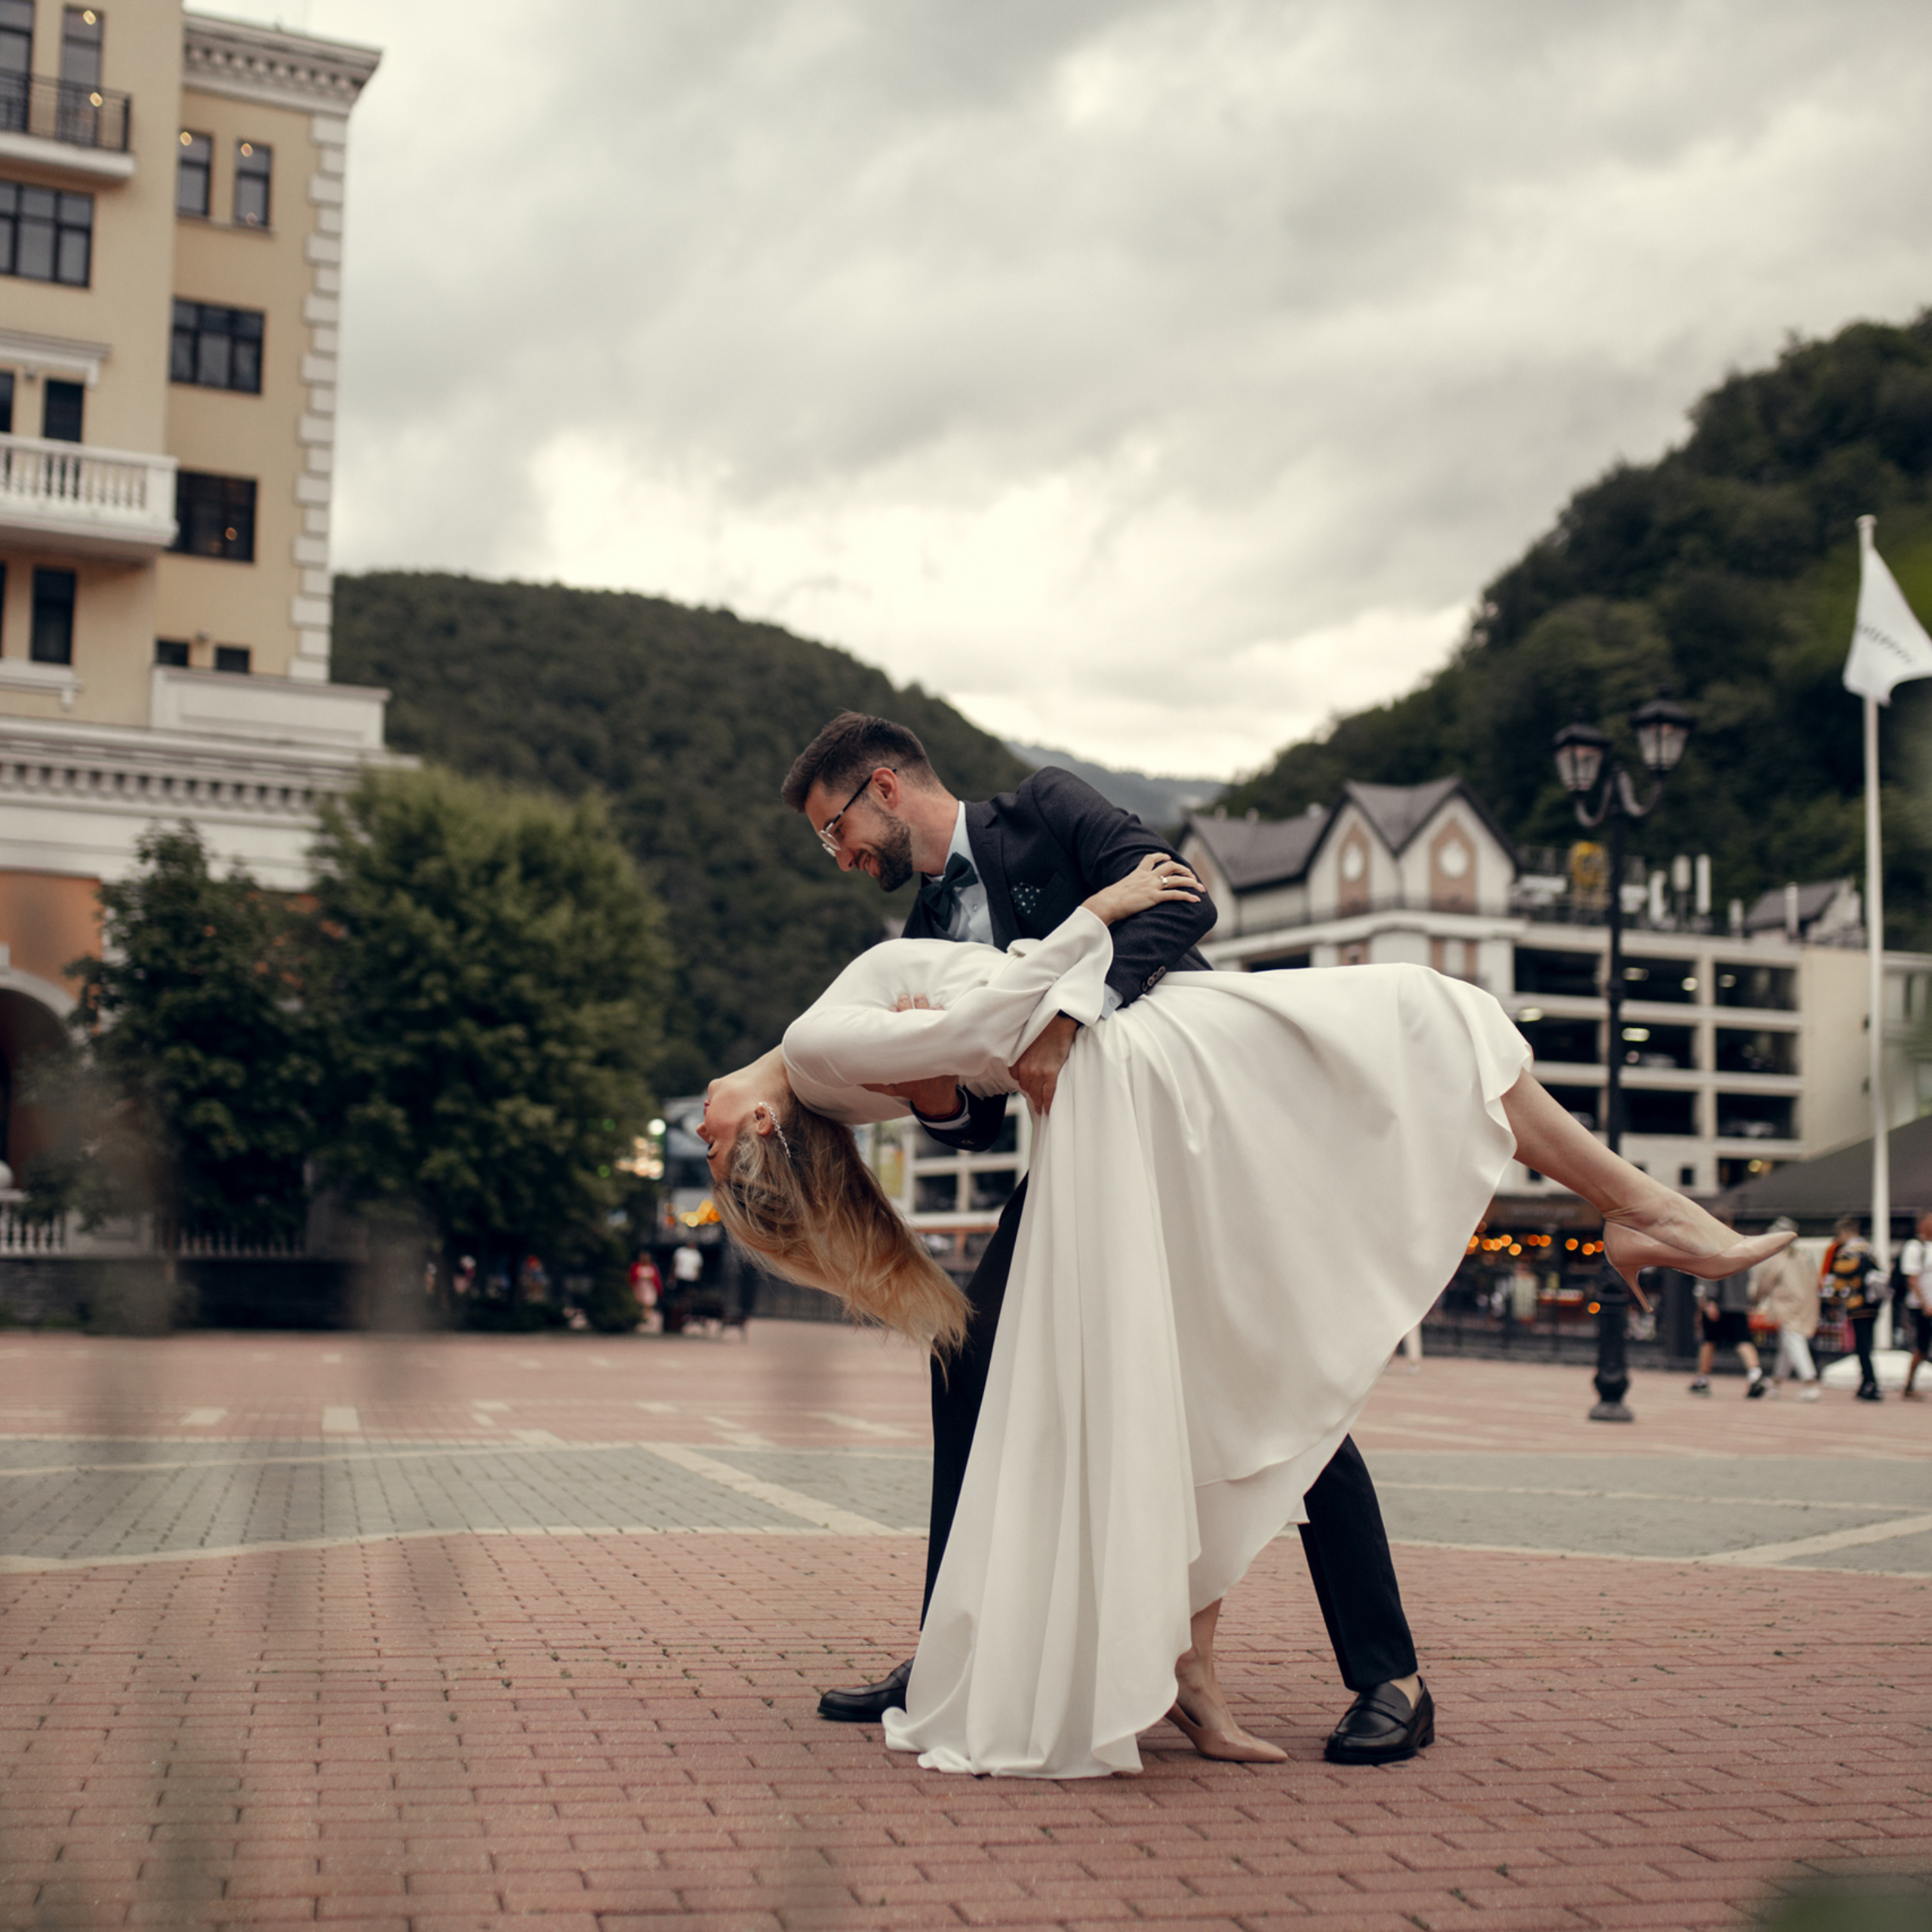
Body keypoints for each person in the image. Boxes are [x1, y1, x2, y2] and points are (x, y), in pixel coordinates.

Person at [700, 857, 1792, 1777]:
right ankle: (1642, 1209)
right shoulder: (809, 1053)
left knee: (1199, 1369)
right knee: (1429, 1016)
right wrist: (1102, 911)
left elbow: (970, 1056)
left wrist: (969, 1053)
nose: (704, 1140)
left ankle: (1189, 1666)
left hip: (1133, 1073)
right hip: (1135, 1078)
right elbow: (992, 1024)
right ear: (758, 1124)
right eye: (717, 1149)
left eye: (707, 1151)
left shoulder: (836, 1051)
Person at [774, 713, 1426, 1767]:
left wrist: (1073, 1008)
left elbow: (1182, 897)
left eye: (833, 828)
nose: (840, 857)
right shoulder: (919, 940)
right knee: (967, 1358)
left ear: (884, 790)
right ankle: (954, 1657)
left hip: (1197, 1131)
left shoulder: (1047, 807)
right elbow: (979, 1114)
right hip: (1083, 1161)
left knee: (1273, 1381)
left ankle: (1391, 1675)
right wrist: (929, 1094)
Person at [1689, 1215, 1767, 1398]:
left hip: (1718, 1302)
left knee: (1709, 1341)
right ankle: (1755, 1375)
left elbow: (1707, 1272)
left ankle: (1702, 1380)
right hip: (1738, 1303)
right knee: (1743, 1340)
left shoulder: (1709, 1244)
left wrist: (1708, 1300)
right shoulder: (1741, 1245)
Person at [1750, 1217, 1820, 1399]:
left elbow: (1763, 1283)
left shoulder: (1777, 1257)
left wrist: (1755, 1301)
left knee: (1794, 1341)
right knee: (1787, 1344)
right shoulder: (1803, 1256)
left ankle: (1810, 1383)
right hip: (1804, 1305)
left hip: (1786, 1306)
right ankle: (1776, 1382)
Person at [1822, 1215, 1883, 1401]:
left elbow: (1839, 1281)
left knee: (1862, 1346)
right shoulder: (1868, 1249)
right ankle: (1867, 1381)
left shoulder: (1847, 1252)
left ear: (1844, 1232)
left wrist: (1831, 1302)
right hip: (1872, 1304)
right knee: (1867, 1344)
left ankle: (1869, 1383)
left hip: (1857, 1305)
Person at [1900, 1211, 1932, 1400]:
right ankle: (1909, 1385)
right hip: (1922, 1307)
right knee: (1922, 1346)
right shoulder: (1915, 1247)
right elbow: (1912, 1278)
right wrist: (1925, 1304)